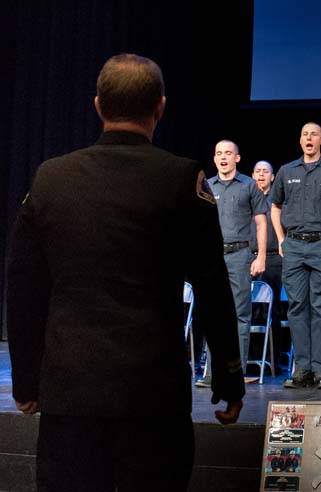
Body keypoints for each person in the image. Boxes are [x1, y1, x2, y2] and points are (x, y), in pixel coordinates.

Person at [5, 53, 244, 492]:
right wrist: (230, 376)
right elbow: (212, 284)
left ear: (98, 106)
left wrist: (25, 378)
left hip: (70, 396)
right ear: (160, 107)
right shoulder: (182, 179)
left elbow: (23, 287)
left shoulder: (51, 178)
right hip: (152, 396)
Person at [271, 122, 321, 389]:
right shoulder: (286, 171)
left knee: (320, 309)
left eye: (313, 134)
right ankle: (301, 369)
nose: (309, 138)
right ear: (300, 140)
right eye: (305, 134)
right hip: (294, 245)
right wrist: (282, 239)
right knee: (296, 308)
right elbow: (274, 206)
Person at [195, 141, 267, 387]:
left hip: (239, 255)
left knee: (239, 315)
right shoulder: (206, 187)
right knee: (213, 314)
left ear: (237, 158)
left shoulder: (249, 185)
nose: (223, 157)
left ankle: (236, 372)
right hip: (213, 256)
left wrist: (261, 256)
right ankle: (212, 372)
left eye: (227, 153)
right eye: (218, 153)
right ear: (214, 159)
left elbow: (261, 222)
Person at [250, 160, 288, 373]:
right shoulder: (248, 196)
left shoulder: (278, 200)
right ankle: (251, 358)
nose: (261, 174)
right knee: (250, 309)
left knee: (271, 309)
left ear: (272, 177)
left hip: (274, 259)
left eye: (266, 171)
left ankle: (272, 360)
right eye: (258, 171)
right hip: (248, 257)